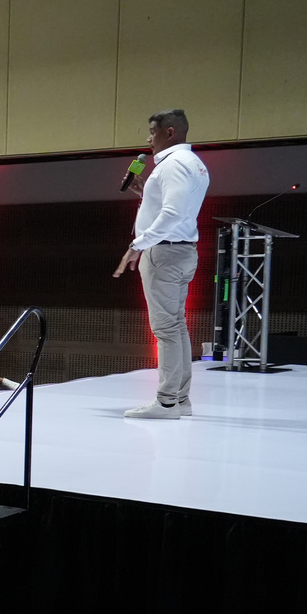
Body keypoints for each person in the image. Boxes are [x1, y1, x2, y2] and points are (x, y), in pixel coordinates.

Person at [114, 108, 209, 419]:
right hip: (181, 251)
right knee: (176, 326)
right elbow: (174, 208)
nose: (148, 139)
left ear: (169, 132)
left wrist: (137, 245)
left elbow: (172, 214)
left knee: (167, 329)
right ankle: (180, 399)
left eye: (152, 132)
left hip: (164, 253)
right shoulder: (194, 163)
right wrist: (146, 193)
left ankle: (167, 402)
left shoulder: (173, 164)